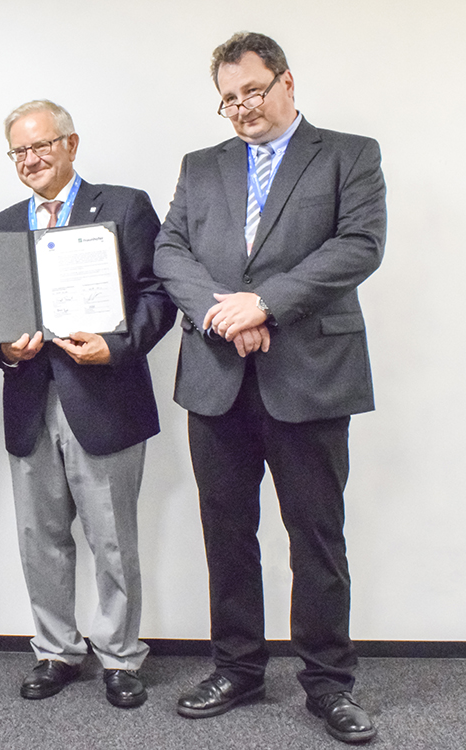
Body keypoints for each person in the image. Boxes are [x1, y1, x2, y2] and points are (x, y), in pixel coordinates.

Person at [153, 32, 385, 744]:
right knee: (227, 531)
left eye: (253, 90)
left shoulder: (349, 153)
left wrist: (265, 303)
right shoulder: (201, 166)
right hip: (217, 376)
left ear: (286, 81)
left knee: (316, 535)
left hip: (309, 375)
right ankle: (238, 668)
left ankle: (328, 683)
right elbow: (171, 250)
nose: (243, 108)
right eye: (228, 99)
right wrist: (225, 315)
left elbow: (358, 245)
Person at [0, 100, 176, 708]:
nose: (31, 160)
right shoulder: (0, 224)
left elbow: (157, 295)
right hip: (29, 400)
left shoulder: (123, 206)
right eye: (19, 151)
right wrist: (6, 349)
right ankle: (56, 651)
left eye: (42, 146)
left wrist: (115, 347)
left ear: (71, 144)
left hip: (105, 397)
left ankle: (119, 656)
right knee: (39, 536)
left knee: (113, 538)